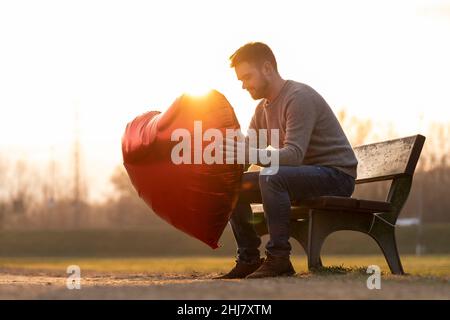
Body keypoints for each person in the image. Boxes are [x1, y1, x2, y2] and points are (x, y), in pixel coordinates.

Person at [215, 42, 358, 279]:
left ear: (268, 68)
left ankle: (279, 258)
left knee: (272, 177)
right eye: (240, 80)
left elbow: (293, 155)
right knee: (233, 184)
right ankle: (249, 258)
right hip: (301, 177)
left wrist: (248, 155)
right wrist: (221, 172)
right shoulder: (262, 110)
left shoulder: (298, 97)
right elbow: (248, 150)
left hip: (336, 176)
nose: (243, 85)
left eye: (247, 77)